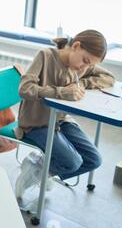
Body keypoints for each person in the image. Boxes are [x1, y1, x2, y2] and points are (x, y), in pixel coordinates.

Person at [15, 30, 115, 197]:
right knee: (73, 162)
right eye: (85, 61)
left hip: (61, 121)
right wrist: (61, 92)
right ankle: (39, 168)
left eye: (90, 65)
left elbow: (109, 77)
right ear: (76, 46)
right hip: (36, 123)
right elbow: (24, 89)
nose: (85, 67)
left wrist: (82, 84)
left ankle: (42, 169)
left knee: (94, 160)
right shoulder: (45, 56)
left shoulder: (81, 66)